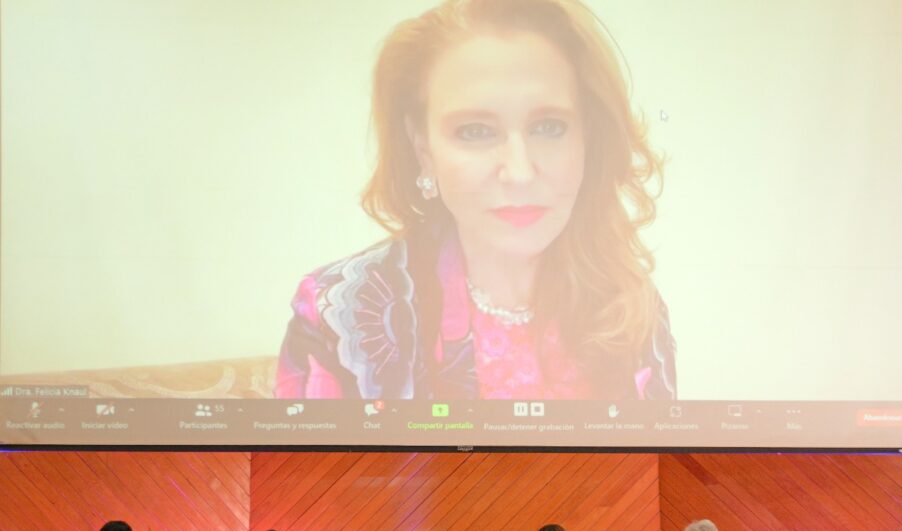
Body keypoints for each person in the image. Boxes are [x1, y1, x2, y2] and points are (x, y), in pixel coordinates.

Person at [275, 0, 675, 401]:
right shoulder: (336, 314)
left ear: (588, 138)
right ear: (423, 148)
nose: (519, 172)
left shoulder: (631, 307)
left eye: (549, 126)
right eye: (475, 131)